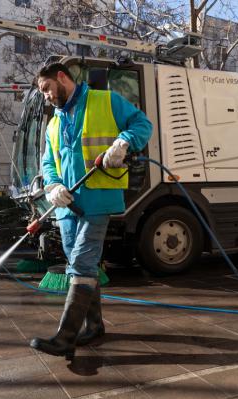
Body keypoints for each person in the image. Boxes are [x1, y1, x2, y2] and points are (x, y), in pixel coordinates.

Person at [31, 62, 152, 359]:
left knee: (82, 264)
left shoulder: (105, 100)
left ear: (62, 78)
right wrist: (54, 186)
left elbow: (142, 125)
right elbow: (48, 164)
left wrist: (123, 142)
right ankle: (95, 326)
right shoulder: (54, 124)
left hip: (98, 199)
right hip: (66, 208)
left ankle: (65, 337)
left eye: (46, 88)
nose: (45, 96)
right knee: (84, 267)